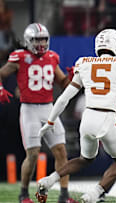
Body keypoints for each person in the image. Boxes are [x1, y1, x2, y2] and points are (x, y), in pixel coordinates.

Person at [35, 28, 116, 203]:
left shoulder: (84, 63)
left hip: (87, 117)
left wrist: (50, 121)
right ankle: (93, 195)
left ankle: (49, 180)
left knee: (85, 159)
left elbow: (64, 98)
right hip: (107, 118)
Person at [0, 23, 76, 203]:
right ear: (28, 41)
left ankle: (64, 194)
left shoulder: (52, 57)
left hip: (49, 109)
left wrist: (73, 78)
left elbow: (63, 83)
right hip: (29, 109)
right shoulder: (20, 57)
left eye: (43, 39)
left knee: (61, 152)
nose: (41, 43)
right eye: (36, 40)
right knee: (33, 154)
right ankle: (24, 193)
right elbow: (1, 73)